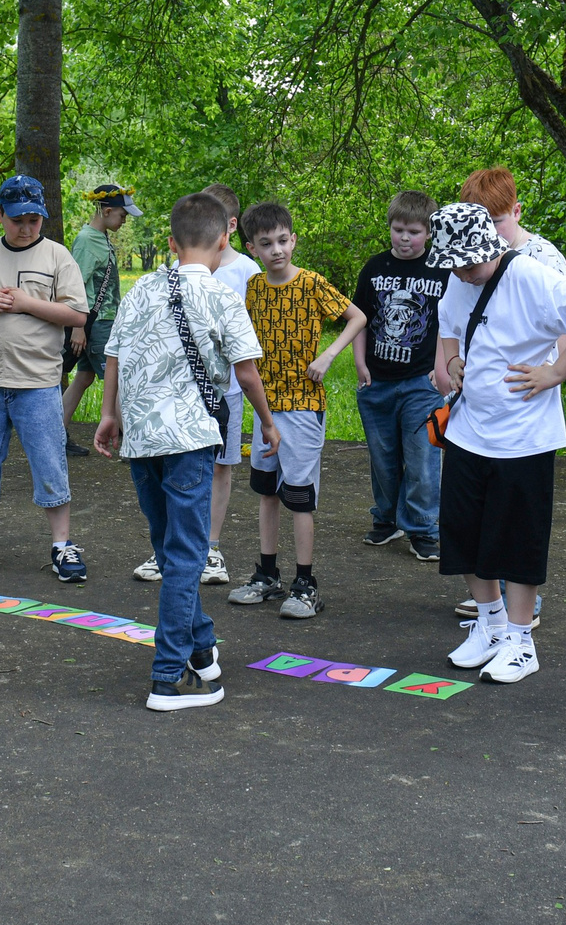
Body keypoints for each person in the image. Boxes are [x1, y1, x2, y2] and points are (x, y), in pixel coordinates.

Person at [94, 193, 279, 712]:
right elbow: (245, 371)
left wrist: (109, 414)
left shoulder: (143, 289)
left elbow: (114, 354)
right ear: (225, 240)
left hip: (141, 438)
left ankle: (202, 648)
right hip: (191, 441)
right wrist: (267, 422)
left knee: (169, 545)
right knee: (187, 557)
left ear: (172, 244)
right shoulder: (223, 298)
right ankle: (168, 676)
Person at [427, 202, 566, 685]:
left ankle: (519, 641)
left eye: (468, 262)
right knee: (463, 531)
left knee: (518, 539)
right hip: (470, 428)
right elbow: (449, 329)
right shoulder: (458, 277)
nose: (461, 272)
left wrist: (555, 371)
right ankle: (489, 625)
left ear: (489, 248)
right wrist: (451, 366)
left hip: (524, 437)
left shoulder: (531, 276)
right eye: (454, 263)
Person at [0, 175, 91, 579]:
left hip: (39, 382)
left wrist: (27, 303)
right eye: (17, 219)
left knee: (49, 462)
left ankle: (62, 545)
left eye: (33, 220)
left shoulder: (58, 257)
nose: (25, 228)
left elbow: (77, 315)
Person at [224, 200, 367, 619]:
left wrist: (329, 356)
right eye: (266, 244)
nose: (276, 250)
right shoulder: (253, 288)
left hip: (302, 406)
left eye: (282, 240)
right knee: (266, 491)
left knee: (299, 496)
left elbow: (357, 317)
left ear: (293, 239)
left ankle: (306, 583)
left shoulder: (312, 284)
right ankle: (267, 574)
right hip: (264, 405)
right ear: (251, 248)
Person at [351, 190, 449, 562]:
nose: (405, 238)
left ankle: (423, 527)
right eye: (398, 230)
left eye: (414, 232)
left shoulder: (441, 271)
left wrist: (438, 369)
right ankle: (387, 518)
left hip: (421, 386)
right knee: (383, 457)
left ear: (428, 233)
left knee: (423, 458)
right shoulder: (375, 268)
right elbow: (358, 319)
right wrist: (360, 364)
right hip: (377, 383)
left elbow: (449, 325)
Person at [200, 181, 260, 584]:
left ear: (231, 226)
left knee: (221, 467)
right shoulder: (182, 269)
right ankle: (169, 548)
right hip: (186, 387)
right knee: (183, 465)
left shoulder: (248, 271)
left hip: (231, 389)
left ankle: (210, 548)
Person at [62, 183, 139, 442]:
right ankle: (132, 441)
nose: (124, 221)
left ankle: (54, 434)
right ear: (106, 211)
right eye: (122, 215)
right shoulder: (86, 240)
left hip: (100, 322)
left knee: (84, 377)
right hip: (97, 324)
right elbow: (76, 286)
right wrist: (78, 327)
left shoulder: (100, 238)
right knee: (113, 379)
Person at [460, 166, 566, 280]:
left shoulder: (545, 258)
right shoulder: (463, 257)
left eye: (493, 223)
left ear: (516, 212)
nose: (484, 233)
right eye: (474, 226)